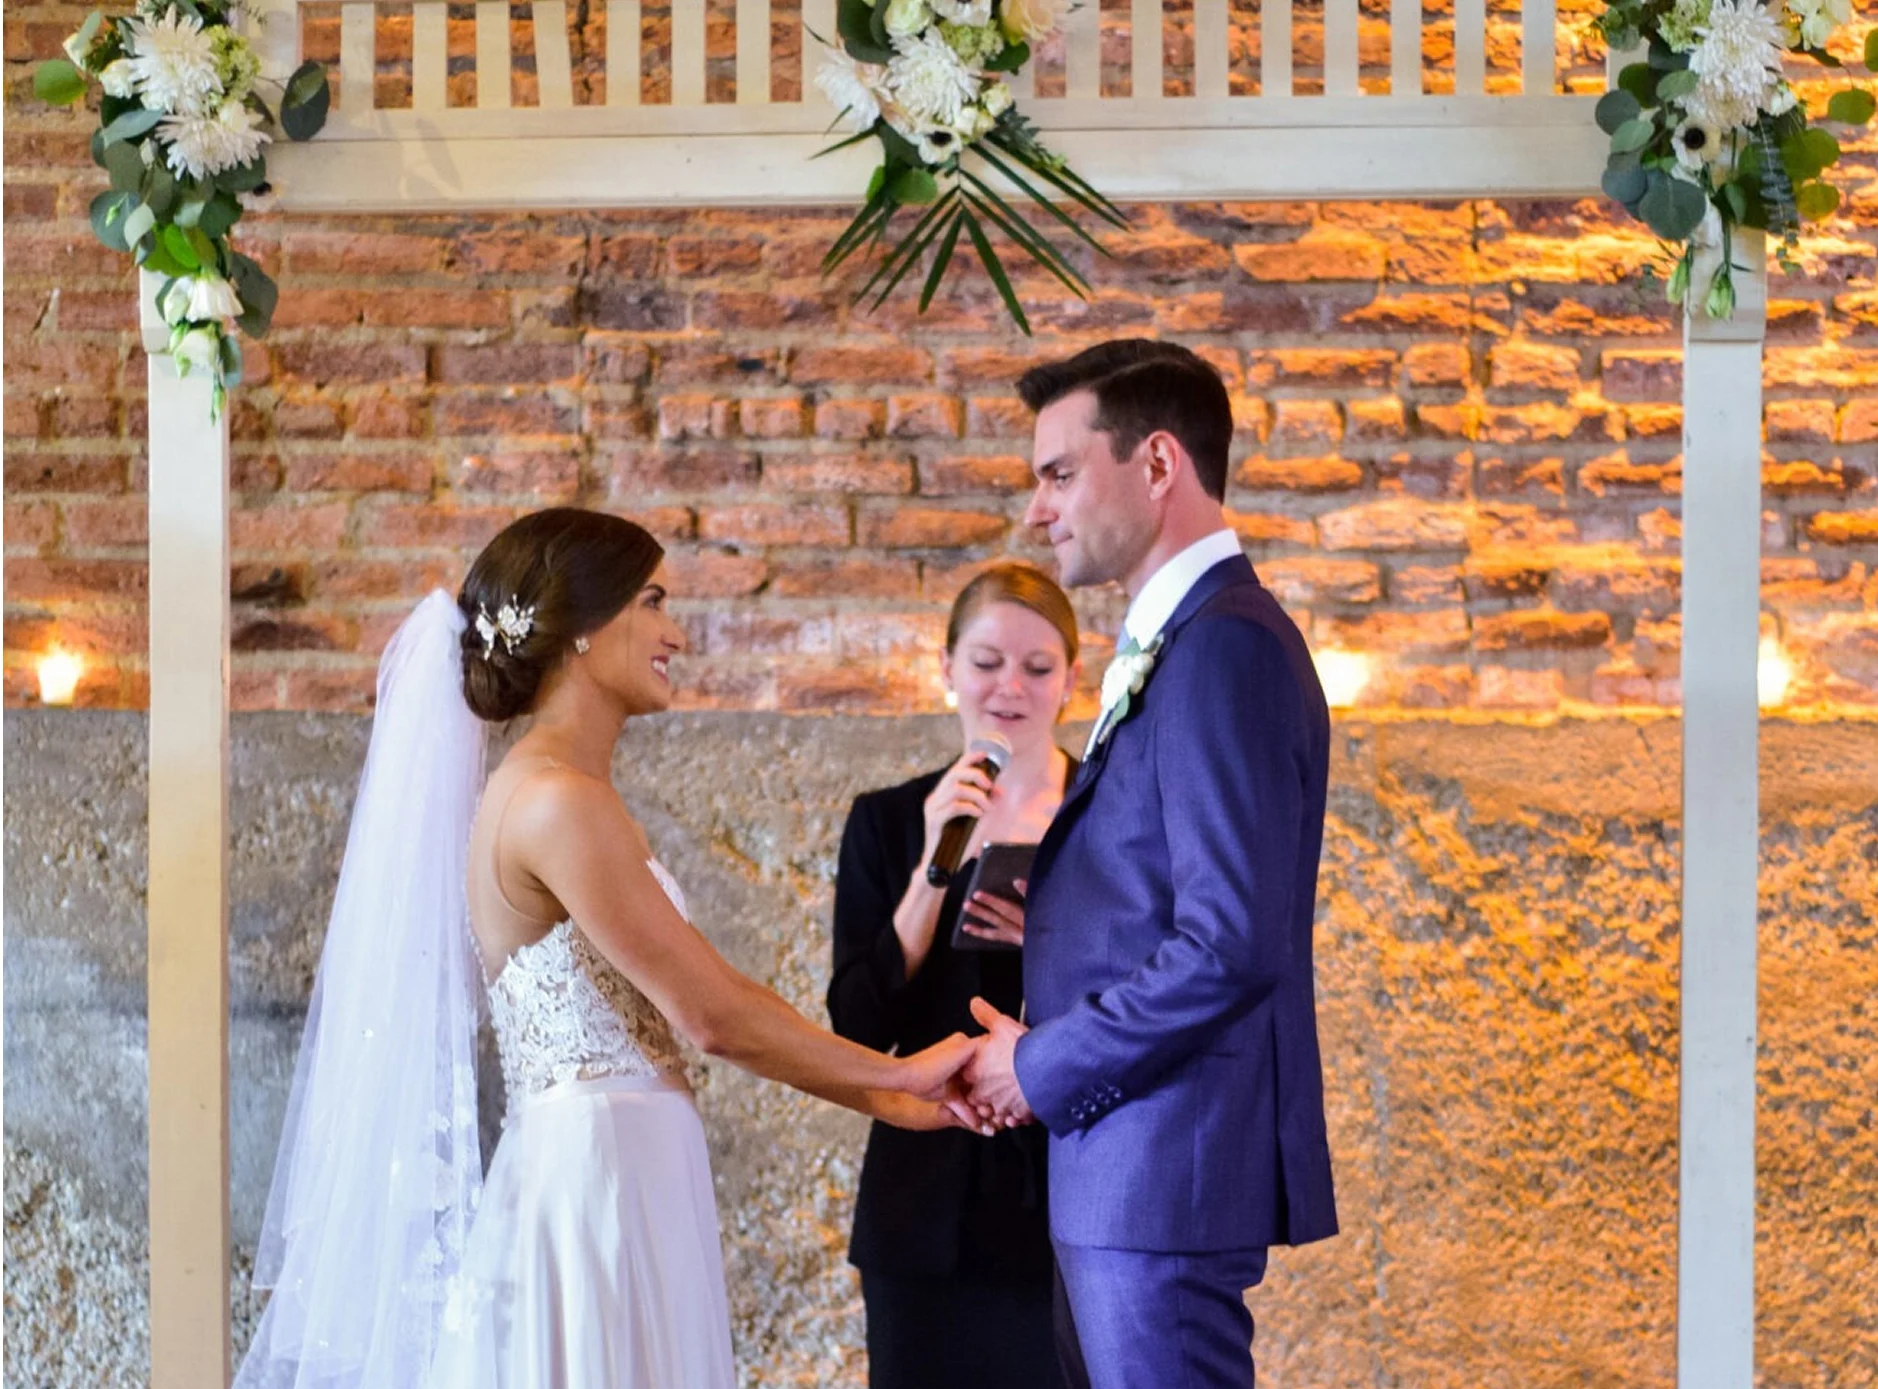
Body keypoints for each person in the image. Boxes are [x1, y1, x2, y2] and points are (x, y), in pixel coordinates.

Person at [235, 508, 982, 1389]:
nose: (677, 632)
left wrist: (886, 1094)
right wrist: (891, 1081)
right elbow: (710, 1013)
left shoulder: (566, 792)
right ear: (585, 626)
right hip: (596, 1181)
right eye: (654, 600)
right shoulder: (557, 802)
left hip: (623, 1163)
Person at [963, 341, 1340, 1389]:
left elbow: (1228, 944)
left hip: (1161, 1174)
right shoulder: (1185, 639)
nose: (1039, 512)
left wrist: (1038, 1068)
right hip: (1124, 1169)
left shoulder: (1225, 648)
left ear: (1159, 464)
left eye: (1059, 472)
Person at [829, 562, 1082, 1389]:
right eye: (985, 662)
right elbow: (860, 1025)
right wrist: (934, 868)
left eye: (1037, 667)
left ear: (1071, 679)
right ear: (946, 671)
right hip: (923, 1206)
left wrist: (1054, 941)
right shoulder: (889, 819)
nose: (1010, 685)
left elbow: (1154, 991)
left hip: (1068, 1193)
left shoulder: (1107, 810)